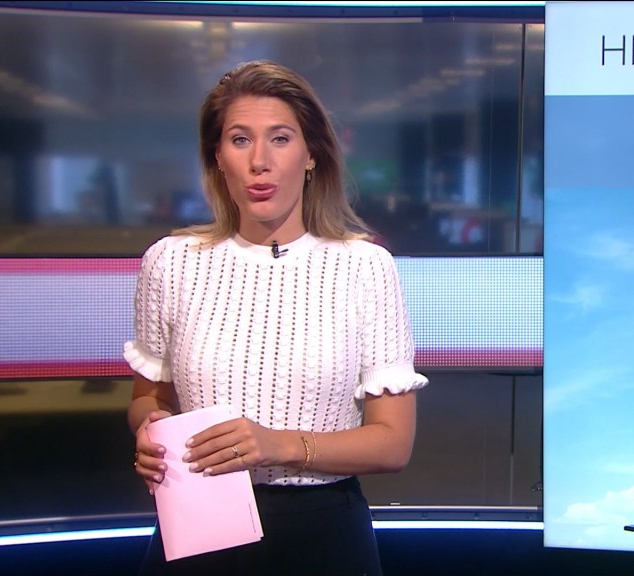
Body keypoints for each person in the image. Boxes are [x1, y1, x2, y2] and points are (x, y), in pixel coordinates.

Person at [124, 60, 428, 576]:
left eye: (280, 139)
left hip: (323, 532)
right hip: (199, 519)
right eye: (240, 140)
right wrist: (148, 429)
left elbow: (393, 444)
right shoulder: (170, 262)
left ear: (311, 155)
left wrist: (276, 445)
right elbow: (149, 399)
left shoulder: (365, 266)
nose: (259, 162)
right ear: (217, 156)